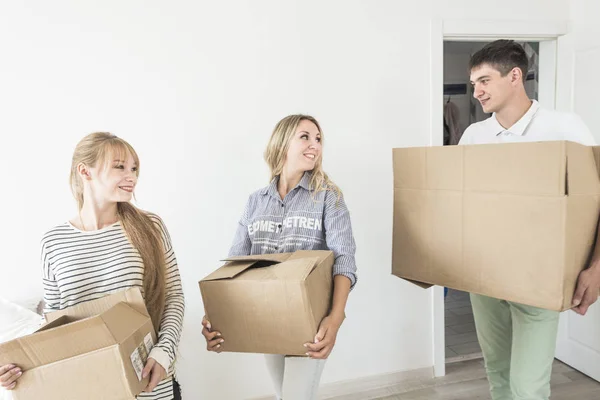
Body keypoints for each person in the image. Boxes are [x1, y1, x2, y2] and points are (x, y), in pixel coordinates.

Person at [460, 39, 600, 400]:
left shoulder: (563, 126)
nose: (476, 92)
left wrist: (597, 266)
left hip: (541, 276)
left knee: (528, 387)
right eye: (473, 83)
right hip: (484, 277)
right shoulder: (474, 136)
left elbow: (596, 199)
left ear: (515, 76)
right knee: (499, 375)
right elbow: (457, 207)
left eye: (485, 81)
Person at [0, 132, 185, 399]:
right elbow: (53, 324)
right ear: (85, 171)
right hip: (88, 386)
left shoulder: (150, 227)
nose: (131, 175)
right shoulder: (53, 241)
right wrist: (18, 369)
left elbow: (173, 297)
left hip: (147, 380)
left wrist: (163, 353)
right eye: (119, 166)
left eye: (134, 168)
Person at [202, 114, 357, 400]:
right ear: (283, 143)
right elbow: (234, 265)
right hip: (266, 316)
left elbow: (344, 260)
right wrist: (215, 317)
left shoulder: (328, 197)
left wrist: (335, 320)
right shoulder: (255, 201)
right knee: (284, 395)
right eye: (305, 137)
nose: (315, 145)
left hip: (311, 322)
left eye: (319, 139)